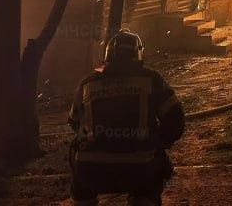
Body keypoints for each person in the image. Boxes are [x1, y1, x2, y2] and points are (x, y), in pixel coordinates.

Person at [68, 29, 184, 206]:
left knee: (75, 152)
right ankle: (143, 200)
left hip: (91, 169)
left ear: (107, 55)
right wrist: (158, 141)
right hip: (140, 167)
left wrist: (100, 137)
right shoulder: (152, 79)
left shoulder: (87, 83)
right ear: (138, 54)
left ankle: (84, 201)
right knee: (155, 171)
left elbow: (74, 121)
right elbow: (175, 121)